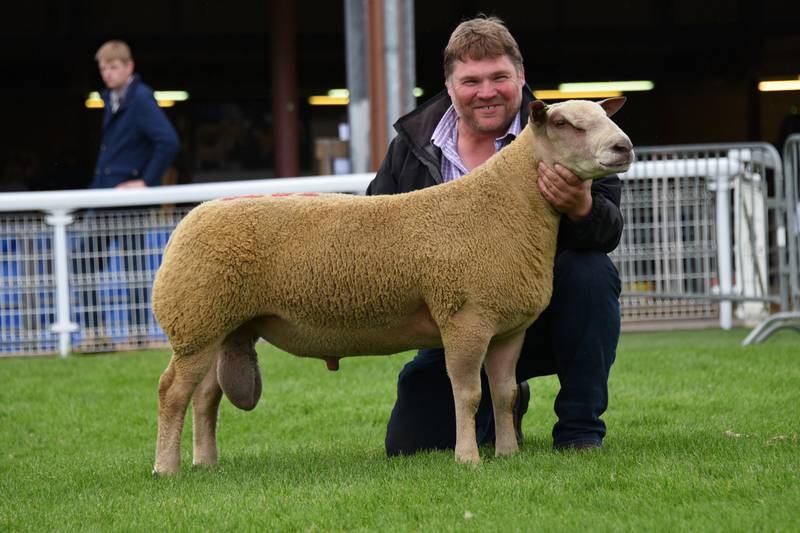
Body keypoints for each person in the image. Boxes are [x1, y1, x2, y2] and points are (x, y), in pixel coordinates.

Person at [366, 16, 623, 454]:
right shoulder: (413, 146)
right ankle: (503, 406)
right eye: (471, 81)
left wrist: (581, 207)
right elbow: (377, 222)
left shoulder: (566, 129)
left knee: (591, 273)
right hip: (456, 324)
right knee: (412, 445)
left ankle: (580, 430)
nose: (486, 91)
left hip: (543, 315)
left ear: (520, 77)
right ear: (449, 85)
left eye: (499, 77)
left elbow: (608, 230)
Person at [78, 40, 180, 350]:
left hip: (124, 198)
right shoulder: (113, 98)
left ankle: (128, 333)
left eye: (113, 67)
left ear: (129, 66)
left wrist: (146, 182)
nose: (107, 73)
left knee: (120, 264)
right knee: (93, 261)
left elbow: (168, 141)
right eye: (103, 68)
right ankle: (103, 333)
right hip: (107, 195)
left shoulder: (140, 98)